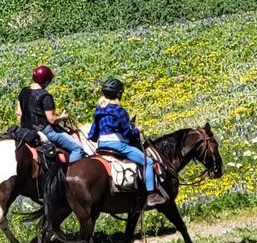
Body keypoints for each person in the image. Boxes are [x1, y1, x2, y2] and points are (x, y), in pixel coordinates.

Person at [91, 77, 166, 207]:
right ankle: (151, 195)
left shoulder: (99, 110)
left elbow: (92, 135)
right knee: (147, 162)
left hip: (102, 145)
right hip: (118, 145)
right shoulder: (119, 111)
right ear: (119, 93)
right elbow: (127, 133)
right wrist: (137, 130)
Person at [18, 64, 91, 164]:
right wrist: (63, 117)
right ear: (46, 81)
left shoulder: (23, 92)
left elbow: (19, 114)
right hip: (44, 131)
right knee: (78, 149)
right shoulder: (45, 96)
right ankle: (67, 173)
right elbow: (52, 119)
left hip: (26, 129)